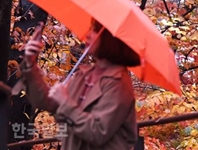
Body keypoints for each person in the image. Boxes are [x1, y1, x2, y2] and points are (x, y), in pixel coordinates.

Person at [19, 20, 140, 150]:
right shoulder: (83, 75)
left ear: (110, 39)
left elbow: (98, 132)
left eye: (94, 30)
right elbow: (47, 102)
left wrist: (66, 103)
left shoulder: (119, 83)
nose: (87, 35)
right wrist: (30, 65)